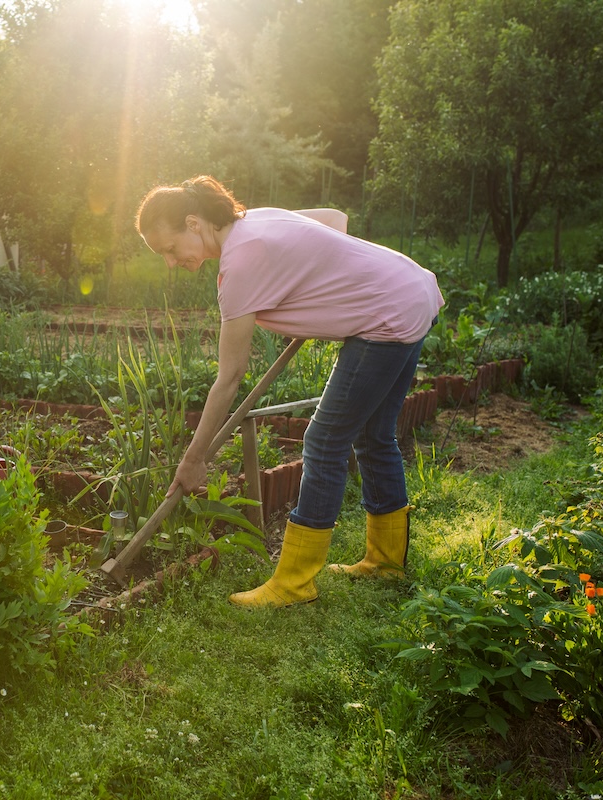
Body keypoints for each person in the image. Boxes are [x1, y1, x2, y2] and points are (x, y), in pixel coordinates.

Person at [135, 175, 444, 609]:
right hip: (413, 290)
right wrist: (312, 269)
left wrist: (194, 457)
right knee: (373, 435)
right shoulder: (255, 221)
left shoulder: (240, 264)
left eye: (169, 249)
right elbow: (335, 220)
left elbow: (230, 375)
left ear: (193, 222)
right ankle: (386, 562)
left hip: (387, 320)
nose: (170, 262)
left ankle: (295, 583)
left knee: (324, 440)